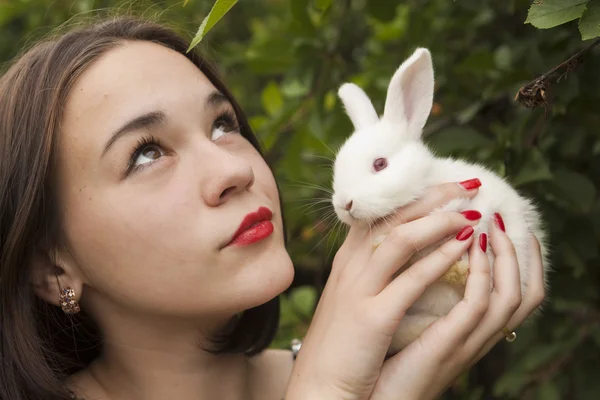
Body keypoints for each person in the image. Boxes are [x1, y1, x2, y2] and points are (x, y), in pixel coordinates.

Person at [0, 15, 545, 400]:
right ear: (53, 266)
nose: (235, 171)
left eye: (223, 125)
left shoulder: (392, 370)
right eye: (146, 154)